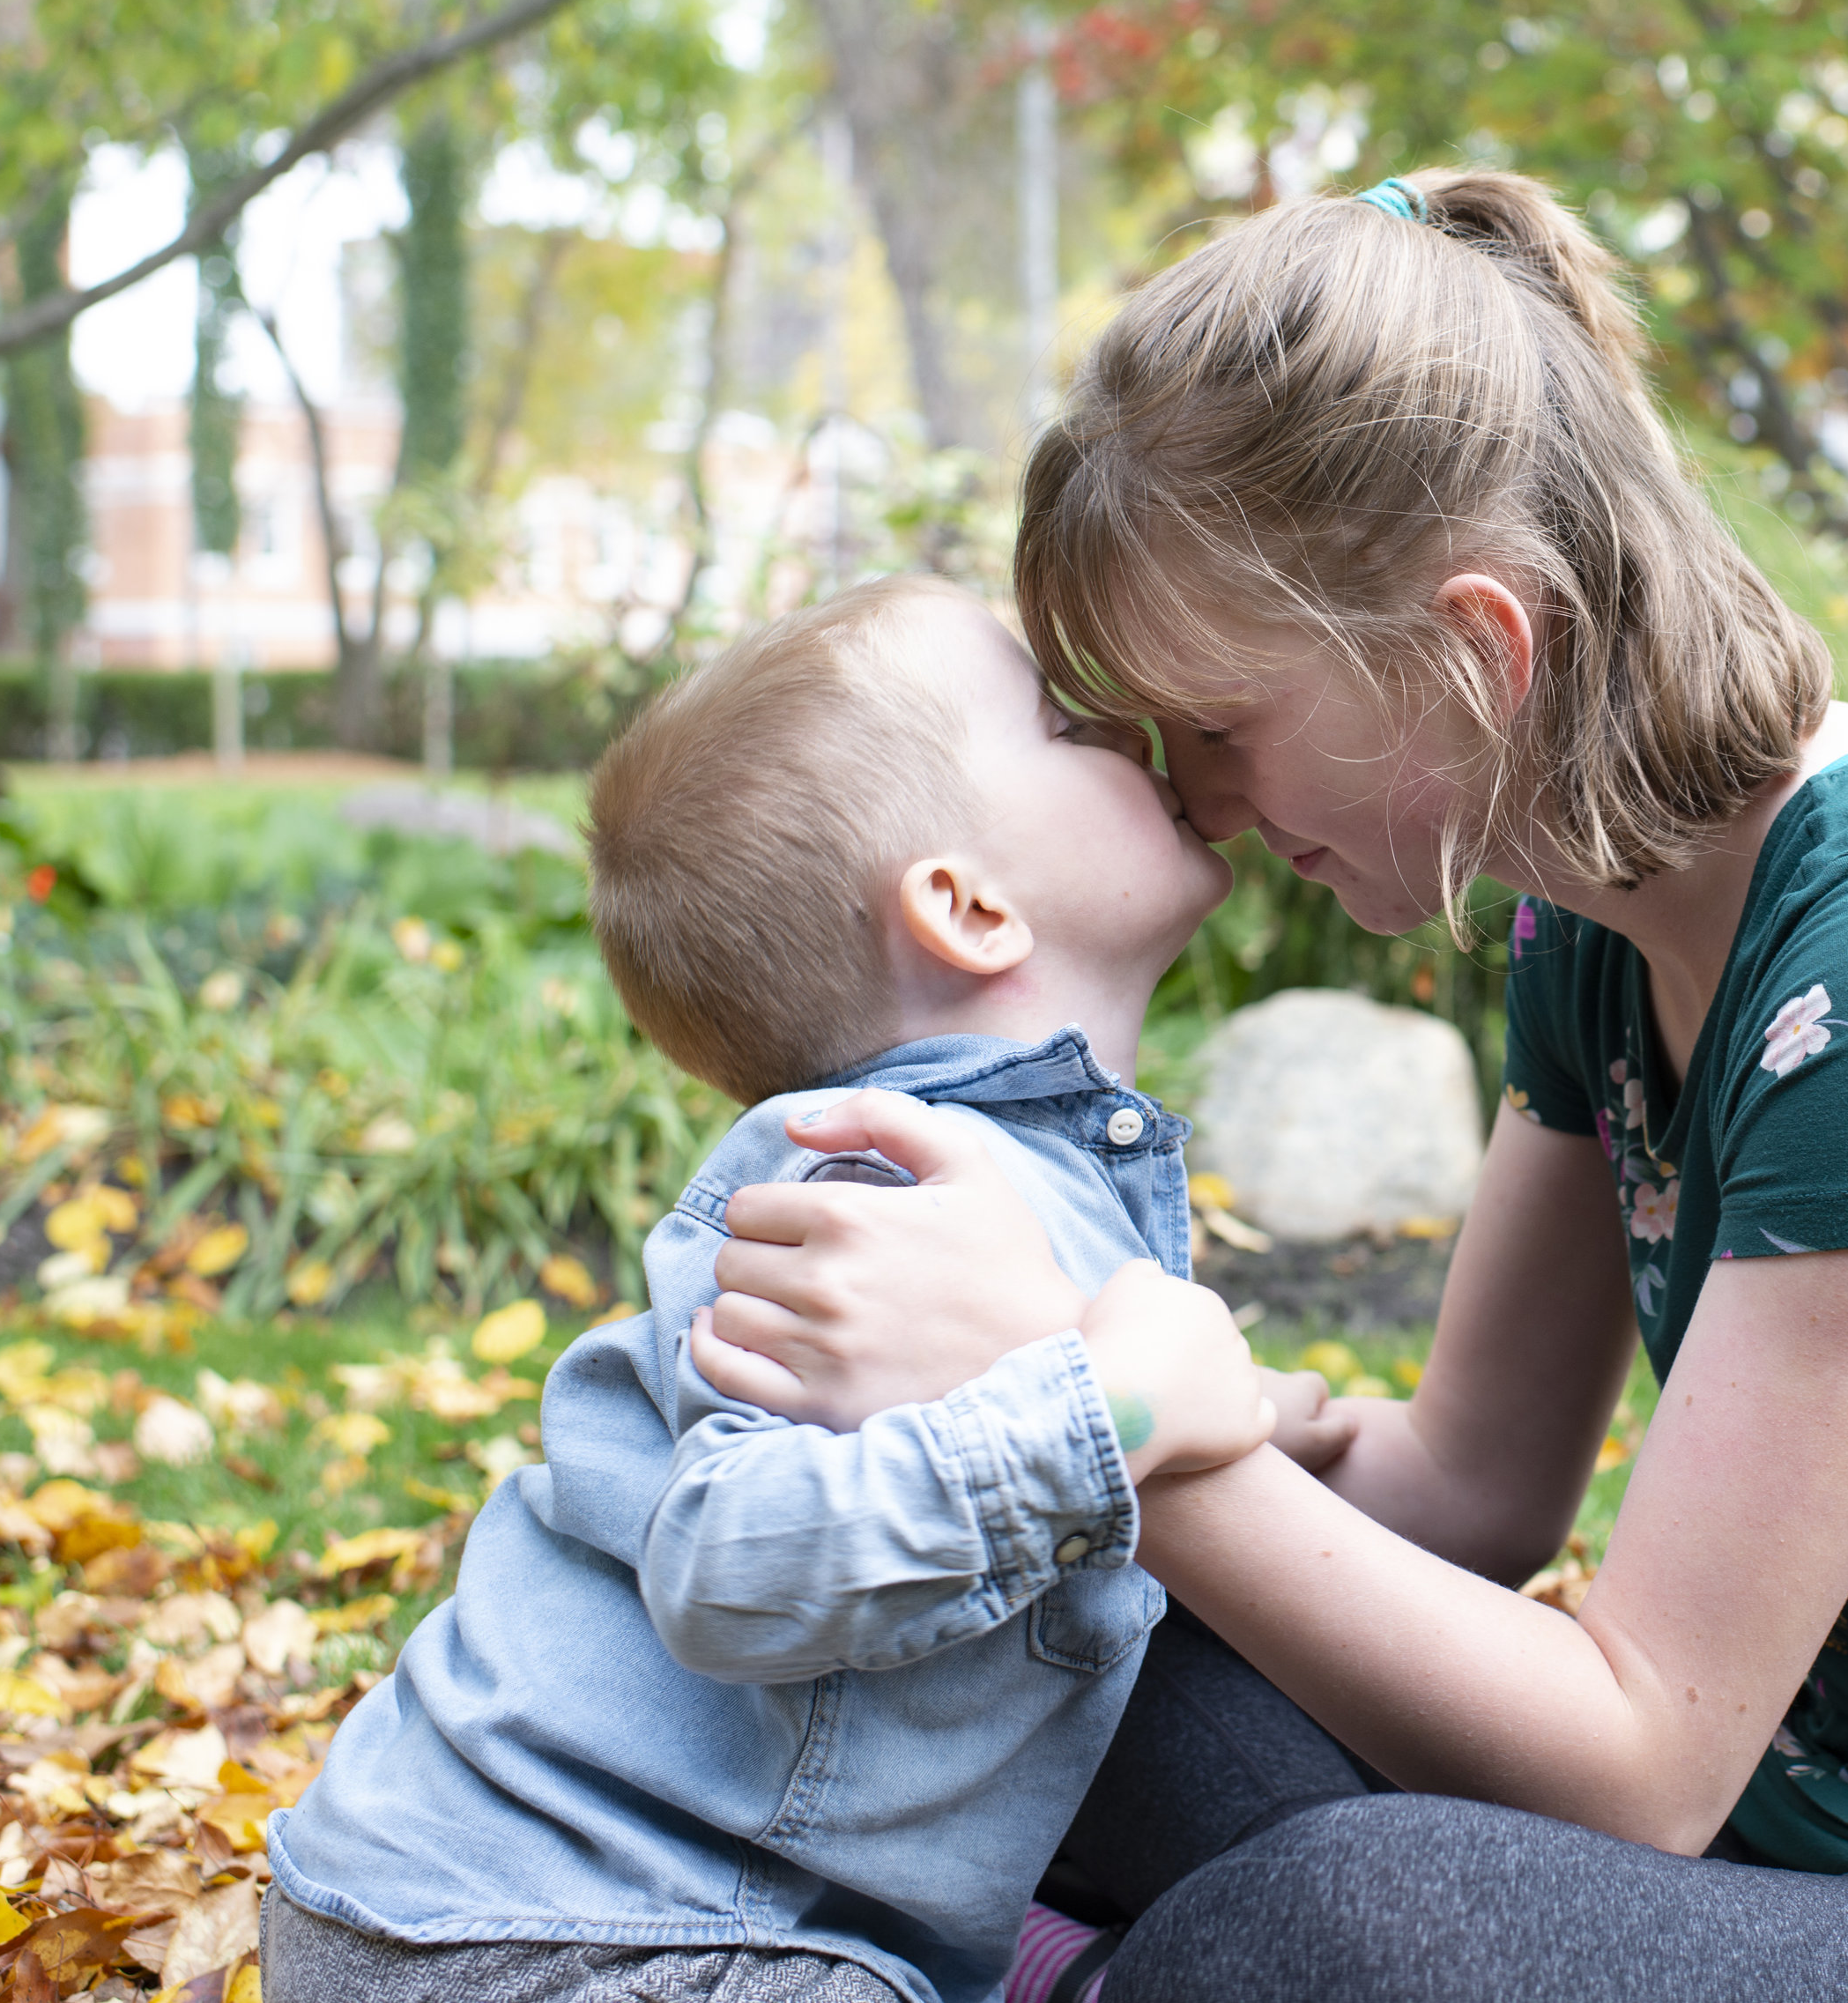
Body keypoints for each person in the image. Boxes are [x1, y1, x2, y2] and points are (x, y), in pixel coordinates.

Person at [698, 172, 1848, 2003]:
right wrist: (1059, 1444)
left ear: (1480, 654)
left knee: (1333, 1934)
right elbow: (1472, 1485)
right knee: (1088, 1679)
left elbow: (1639, 1769)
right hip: (1835, 1825)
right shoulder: (1588, 926)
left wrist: (1082, 1408)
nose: (1200, 804)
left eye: (1218, 725)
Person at [262, 578, 1293, 2003]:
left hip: (613, 1922)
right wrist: (1108, 1410)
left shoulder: (1024, 1177)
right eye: (1069, 722)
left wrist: (1255, 1419)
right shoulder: (864, 1192)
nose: (1132, 725)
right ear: (966, 903)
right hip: (549, 1937)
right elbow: (733, 1564)